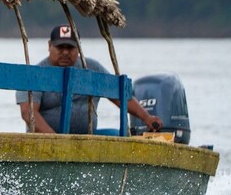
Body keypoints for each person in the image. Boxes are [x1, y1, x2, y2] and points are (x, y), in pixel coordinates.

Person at [16, 25, 163, 135]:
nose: (65, 52)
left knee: (120, 136)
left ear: (79, 48)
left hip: (86, 139)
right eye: (60, 47)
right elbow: (28, 113)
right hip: (44, 142)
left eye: (70, 47)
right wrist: (56, 140)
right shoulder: (34, 74)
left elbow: (120, 96)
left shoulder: (92, 68)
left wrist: (147, 118)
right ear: (49, 46)